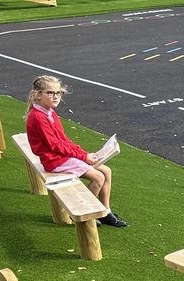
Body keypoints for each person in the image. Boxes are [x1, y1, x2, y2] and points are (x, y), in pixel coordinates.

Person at [25, 75, 126, 227]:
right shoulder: (38, 117)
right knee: (98, 177)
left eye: (58, 93)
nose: (56, 96)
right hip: (54, 161)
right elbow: (55, 146)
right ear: (38, 95)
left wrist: (84, 154)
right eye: (50, 93)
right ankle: (85, 213)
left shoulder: (50, 112)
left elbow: (63, 140)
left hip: (60, 157)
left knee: (106, 171)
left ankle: (105, 212)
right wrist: (83, 157)